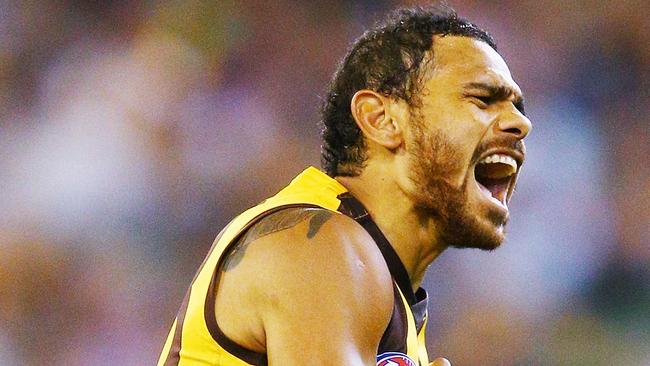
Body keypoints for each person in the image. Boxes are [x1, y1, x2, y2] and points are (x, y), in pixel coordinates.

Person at [158, 5, 531, 366]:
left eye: (518, 107)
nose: (520, 124)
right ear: (381, 119)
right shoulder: (320, 245)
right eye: (483, 99)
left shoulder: (381, 282)